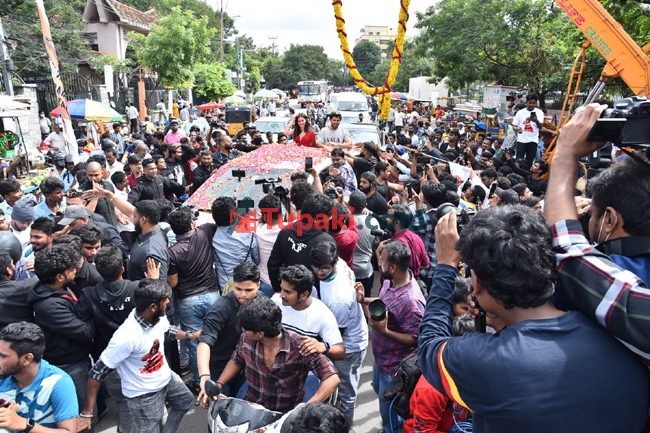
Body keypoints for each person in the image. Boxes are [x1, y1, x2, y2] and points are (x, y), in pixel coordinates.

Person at [419, 206, 648, 432]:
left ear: (476, 283)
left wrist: (446, 265)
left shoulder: (486, 361)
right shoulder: (618, 332)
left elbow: (430, 345)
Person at [545, 102, 650, 361]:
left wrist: (565, 154)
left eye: (593, 214)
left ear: (610, 219)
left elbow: (569, 252)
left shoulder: (617, 282)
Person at [78, 279, 196, 433]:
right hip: (144, 396)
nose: (168, 302)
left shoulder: (157, 317)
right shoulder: (126, 337)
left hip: (166, 379)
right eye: (165, 300)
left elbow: (167, 330)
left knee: (185, 400)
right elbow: (97, 373)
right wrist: (87, 414)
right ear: (152, 307)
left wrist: (189, 335)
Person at [214, 296, 340, 413]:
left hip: (285, 416)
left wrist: (305, 410)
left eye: (246, 329)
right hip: (252, 411)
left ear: (260, 334)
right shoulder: (246, 339)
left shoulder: (300, 346)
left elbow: (332, 378)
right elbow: (236, 359)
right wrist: (219, 384)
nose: (243, 330)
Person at [76, 244, 148, 433]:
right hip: (138, 356)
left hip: (108, 358)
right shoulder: (137, 288)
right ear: (122, 268)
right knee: (144, 395)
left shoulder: (88, 294)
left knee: (122, 400)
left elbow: (83, 325)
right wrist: (153, 282)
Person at [28, 244, 97, 428]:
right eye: (71, 270)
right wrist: (90, 310)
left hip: (76, 358)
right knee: (83, 415)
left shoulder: (57, 290)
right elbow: (85, 331)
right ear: (59, 277)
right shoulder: (50, 306)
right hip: (69, 364)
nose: (75, 271)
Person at [360, 241, 425, 433]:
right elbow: (383, 302)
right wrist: (363, 300)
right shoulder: (391, 281)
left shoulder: (411, 302)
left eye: (382, 261)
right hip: (381, 361)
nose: (379, 263)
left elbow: (416, 339)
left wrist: (385, 332)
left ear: (393, 267)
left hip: (394, 369)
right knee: (379, 393)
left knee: (391, 415)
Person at [310, 242, 368, 421]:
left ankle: (345, 425)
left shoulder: (338, 299)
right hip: (353, 328)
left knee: (346, 395)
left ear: (334, 263)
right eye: (316, 267)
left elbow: (336, 337)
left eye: (324, 269)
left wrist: (322, 348)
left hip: (349, 346)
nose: (319, 273)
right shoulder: (339, 263)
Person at [167, 206, 219, 390]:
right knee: (216, 336)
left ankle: (199, 381)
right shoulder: (204, 232)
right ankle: (218, 375)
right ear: (191, 224)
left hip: (187, 301)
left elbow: (172, 283)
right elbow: (222, 222)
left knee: (194, 342)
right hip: (212, 295)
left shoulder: (172, 252)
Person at [197, 263, 263, 405]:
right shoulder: (221, 308)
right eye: (238, 289)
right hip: (219, 370)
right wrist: (205, 377)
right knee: (220, 413)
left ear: (258, 285)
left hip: (247, 370)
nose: (242, 294)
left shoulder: (262, 302)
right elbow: (204, 342)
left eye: (248, 290)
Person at [0, 322, 79, 432]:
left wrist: (24, 424)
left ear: (27, 359)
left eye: (3, 356)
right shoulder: (3, 373)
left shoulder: (58, 383)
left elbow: (69, 431)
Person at [268, 193, 336, 292]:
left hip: (291, 291)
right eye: (329, 218)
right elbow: (331, 274)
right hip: (313, 295)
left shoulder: (285, 231)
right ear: (316, 219)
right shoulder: (326, 241)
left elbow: (273, 264)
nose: (330, 221)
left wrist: (280, 289)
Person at [211, 197, 260, 290]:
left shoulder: (211, 236)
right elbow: (257, 260)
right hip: (248, 285)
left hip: (225, 286)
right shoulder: (248, 234)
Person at [410, 180, 447, 289]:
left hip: (427, 269)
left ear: (425, 198)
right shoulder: (448, 214)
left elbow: (411, 228)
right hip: (442, 266)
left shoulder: (426, 219)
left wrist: (417, 205)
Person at [254, 195, 282, 296]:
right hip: (282, 282)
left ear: (265, 216)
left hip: (264, 281)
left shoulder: (258, 231)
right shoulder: (287, 232)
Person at [79, 161, 119, 227]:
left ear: (102, 173)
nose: (93, 178)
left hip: (113, 227)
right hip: (96, 228)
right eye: (90, 175)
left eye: (96, 175)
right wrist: (95, 196)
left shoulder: (109, 186)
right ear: (86, 174)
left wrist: (119, 217)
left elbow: (113, 204)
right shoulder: (82, 191)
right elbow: (86, 214)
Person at [15, 217, 54, 281]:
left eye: (37, 237)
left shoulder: (58, 257)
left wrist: (44, 266)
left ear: (51, 237)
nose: (32, 240)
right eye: (31, 236)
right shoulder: (27, 252)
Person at [512, 93, 545, 167]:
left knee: (529, 161)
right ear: (526, 102)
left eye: (534, 103)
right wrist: (517, 129)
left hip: (533, 140)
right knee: (519, 161)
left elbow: (540, 127)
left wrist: (536, 120)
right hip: (521, 140)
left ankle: (527, 173)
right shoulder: (520, 112)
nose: (532, 105)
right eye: (530, 103)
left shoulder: (539, 112)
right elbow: (514, 125)